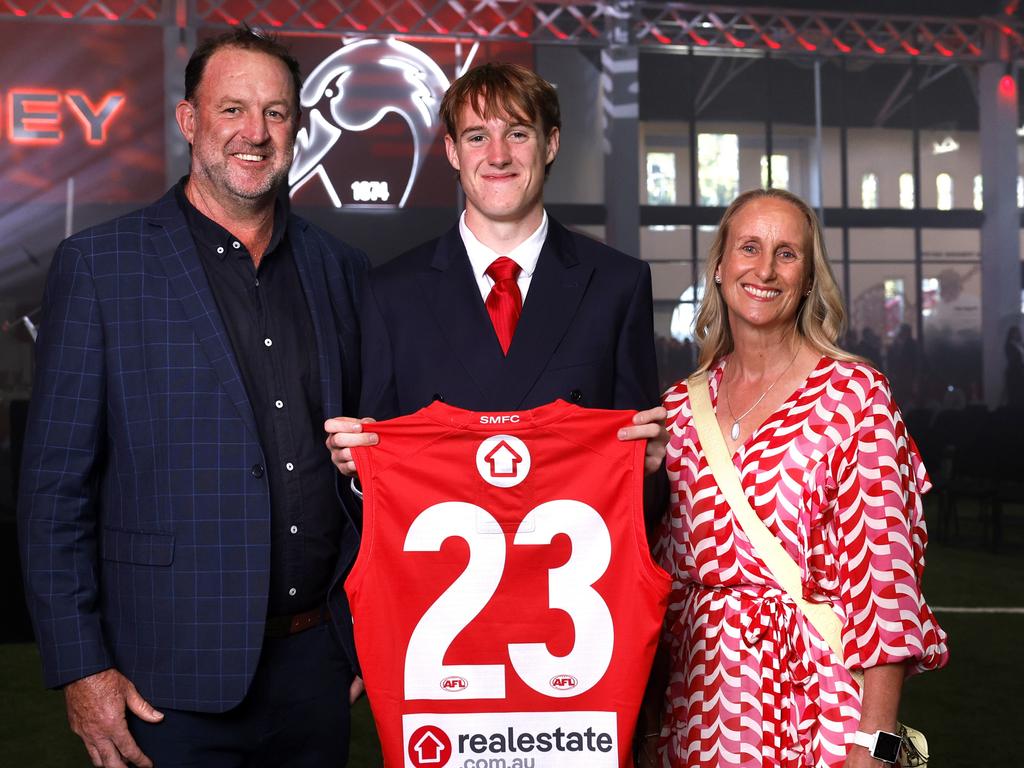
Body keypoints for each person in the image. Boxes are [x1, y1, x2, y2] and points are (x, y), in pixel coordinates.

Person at [18, 28, 367, 768]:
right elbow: (54, 492)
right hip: (163, 683)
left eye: (276, 114)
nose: (256, 133)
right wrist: (82, 668)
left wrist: (366, 632)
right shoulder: (101, 268)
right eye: (233, 109)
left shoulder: (343, 271)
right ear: (189, 122)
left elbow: (374, 467)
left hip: (318, 671)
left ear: (297, 129)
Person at [653, 189, 949, 767]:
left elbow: (885, 585)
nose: (764, 269)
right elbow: (655, 578)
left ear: (810, 278)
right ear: (719, 266)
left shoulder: (854, 398)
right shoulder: (678, 411)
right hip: (694, 704)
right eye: (750, 248)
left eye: (787, 253)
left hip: (817, 703)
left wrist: (875, 742)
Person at [326, 61, 666, 482]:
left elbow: (641, 483)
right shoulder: (390, 293)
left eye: (518, 134)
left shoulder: (618, 285)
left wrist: (650, 470)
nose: (499, 155)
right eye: (477, 137)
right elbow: (382, 472)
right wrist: (361, 473)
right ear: (452, 150)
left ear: (551, 144)